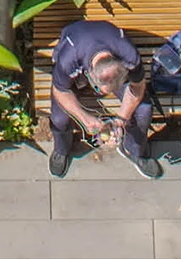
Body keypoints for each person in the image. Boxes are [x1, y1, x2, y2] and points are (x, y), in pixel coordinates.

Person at [46, 16, 160, 178]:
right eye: (99, 90)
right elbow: (60, 91)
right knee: (59, 118)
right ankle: (61, 149)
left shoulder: (129, 56)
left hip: (108, 59)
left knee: (144, 109)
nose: (102, 94)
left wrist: (121, 119)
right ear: (90, 74)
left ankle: (134, 149)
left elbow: (138, 87)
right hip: (76, 50)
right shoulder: (69, 59)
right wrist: (85, 119)